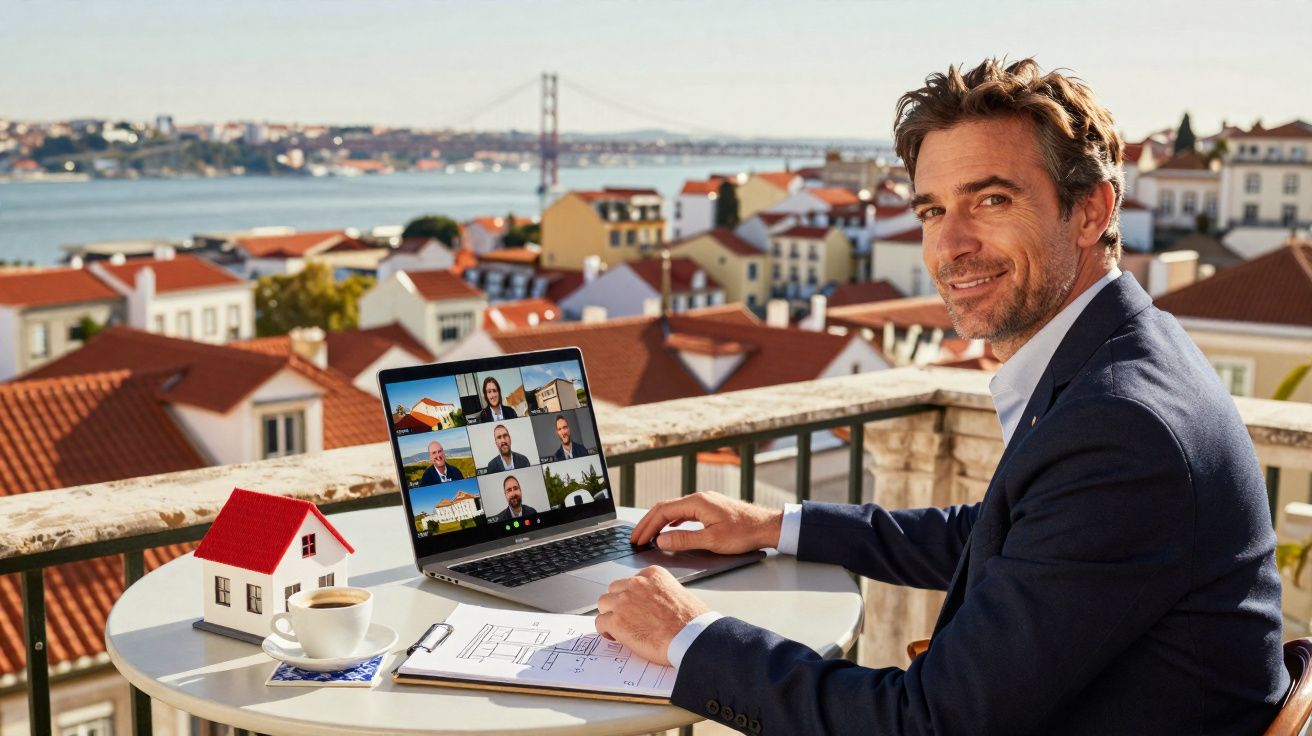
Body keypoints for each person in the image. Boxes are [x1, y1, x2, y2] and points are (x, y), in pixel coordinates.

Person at [595, 58, 1288, 735]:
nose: (950, 245)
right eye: (932, 209)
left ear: (1090, 210)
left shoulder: (1122, 425)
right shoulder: (1128, 350)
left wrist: (692, 637)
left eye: (991, 200)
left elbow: (927, 720)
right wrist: (773, 526)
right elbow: (1000, 536)